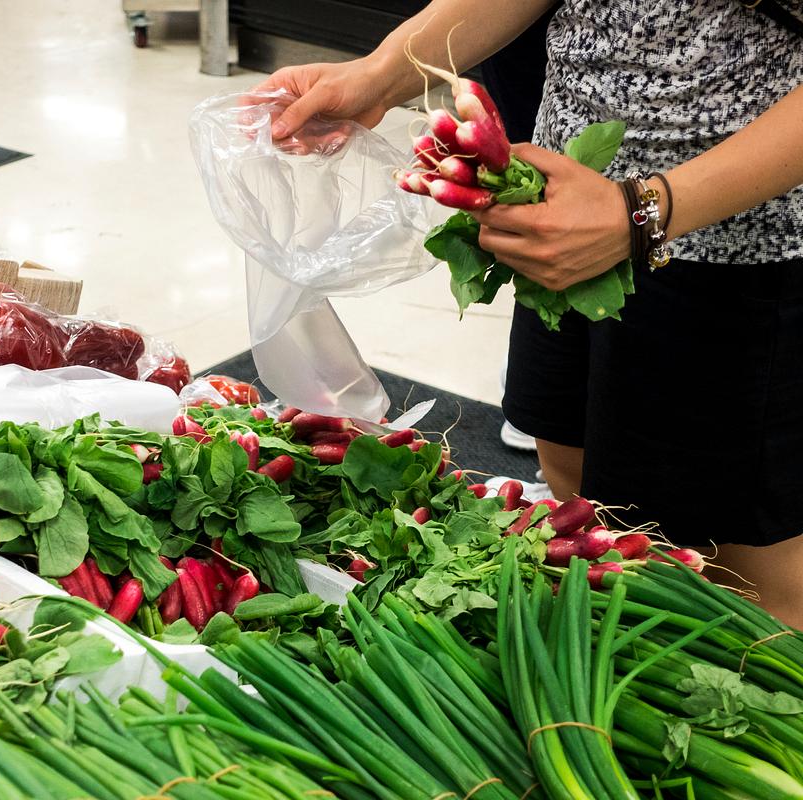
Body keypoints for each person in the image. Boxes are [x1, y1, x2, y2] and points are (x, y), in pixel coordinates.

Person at [256, 0, 803, 625]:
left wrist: (643, 212)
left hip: (733, 246)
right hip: (565, 211)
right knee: (587, 498)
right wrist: (382, 73)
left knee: (736, 571)